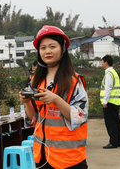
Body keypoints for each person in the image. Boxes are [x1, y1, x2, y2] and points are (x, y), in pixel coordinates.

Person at [19, 26, 88, 169]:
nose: (47, 51)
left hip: (68, 159)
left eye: (52, 46)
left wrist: (56, 99)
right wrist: (27, 103)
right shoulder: (36, 81)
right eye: (43, 48)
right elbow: (35, 118)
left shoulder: (74, 81)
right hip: (42, 155)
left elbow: (80, 116)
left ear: (63, 49)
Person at [101, 55, 120, 149]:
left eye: (102, 62)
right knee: (116, 122)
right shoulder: (114, 72)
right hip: (115, 101)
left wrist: (105, 101)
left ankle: (113, 142)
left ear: (106, 63)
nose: (102, 64)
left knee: (111, 123)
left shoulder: (109, 74)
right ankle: (119, 141)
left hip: (109, 102)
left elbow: (108, 88)